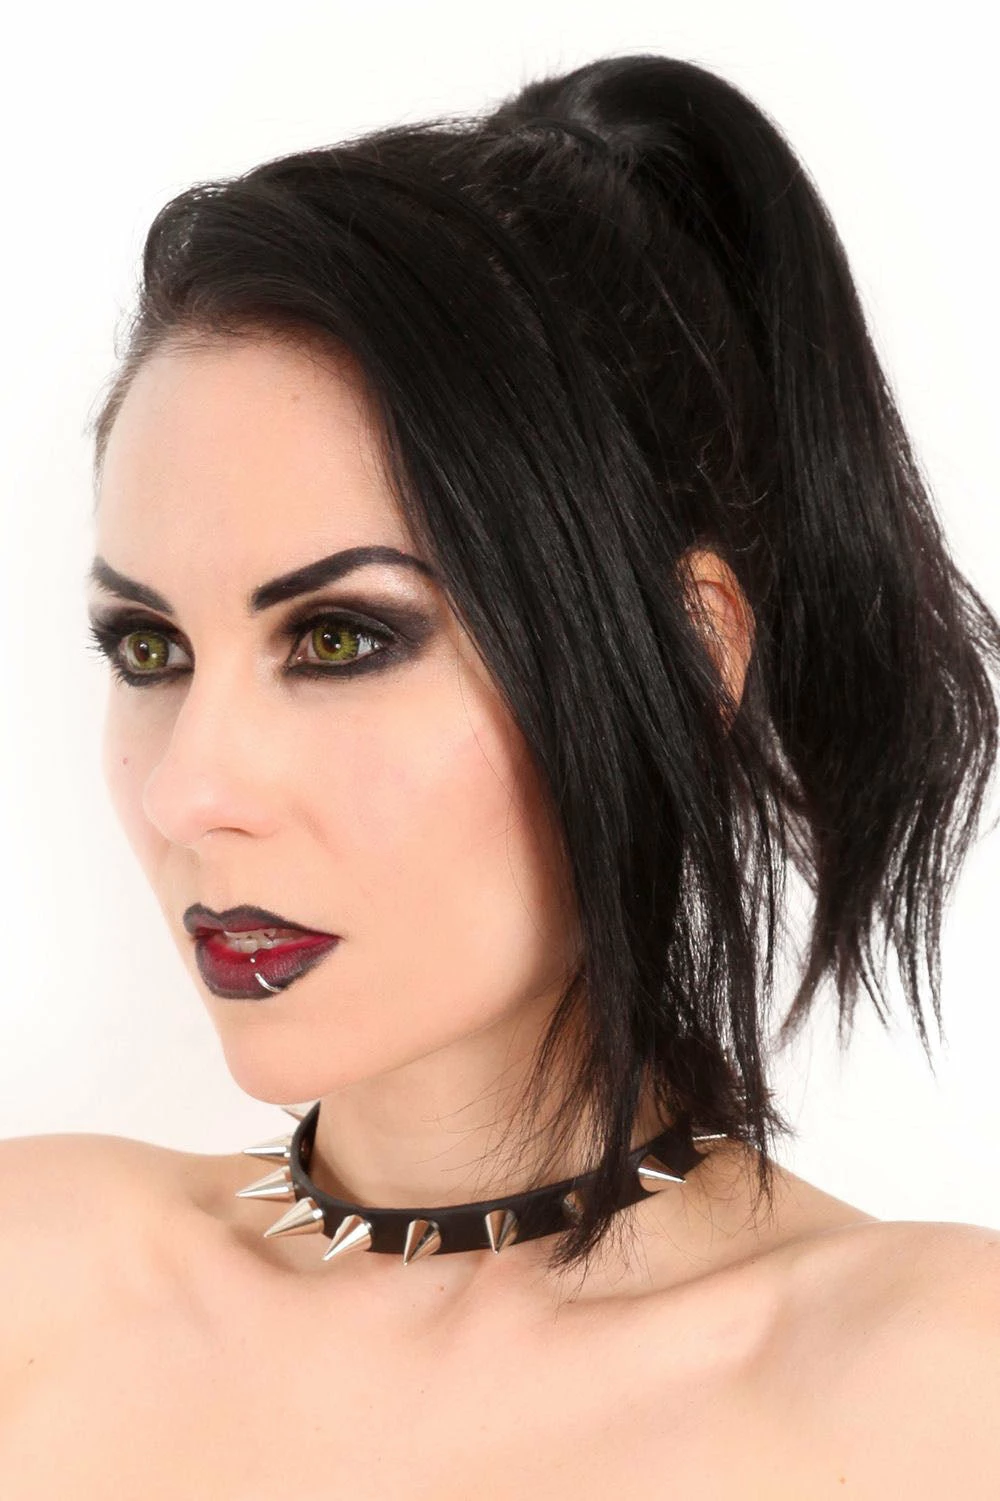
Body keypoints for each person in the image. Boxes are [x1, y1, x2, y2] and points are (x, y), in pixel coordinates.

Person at [2, 50, 999, 1496]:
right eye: (149, 648)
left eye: (339, 639)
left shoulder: (934, 1390)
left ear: (689, 663)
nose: (187, 793)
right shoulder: (35, 1282)